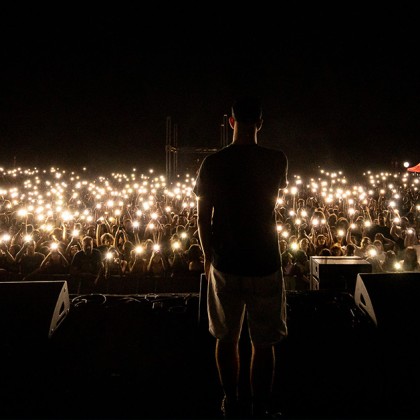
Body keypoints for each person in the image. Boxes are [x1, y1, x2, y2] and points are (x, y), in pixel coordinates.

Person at [193, 96, 288, 419]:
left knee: (226, 338)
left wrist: (208, 257)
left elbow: (202, 219)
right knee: (264, 343)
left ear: (230, 121)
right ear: (260, 123)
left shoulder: (213, 163)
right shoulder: (277, 160)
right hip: (265, 260)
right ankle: (261, 407)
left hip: (226, 262)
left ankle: (231, 402)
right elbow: (269, 202)